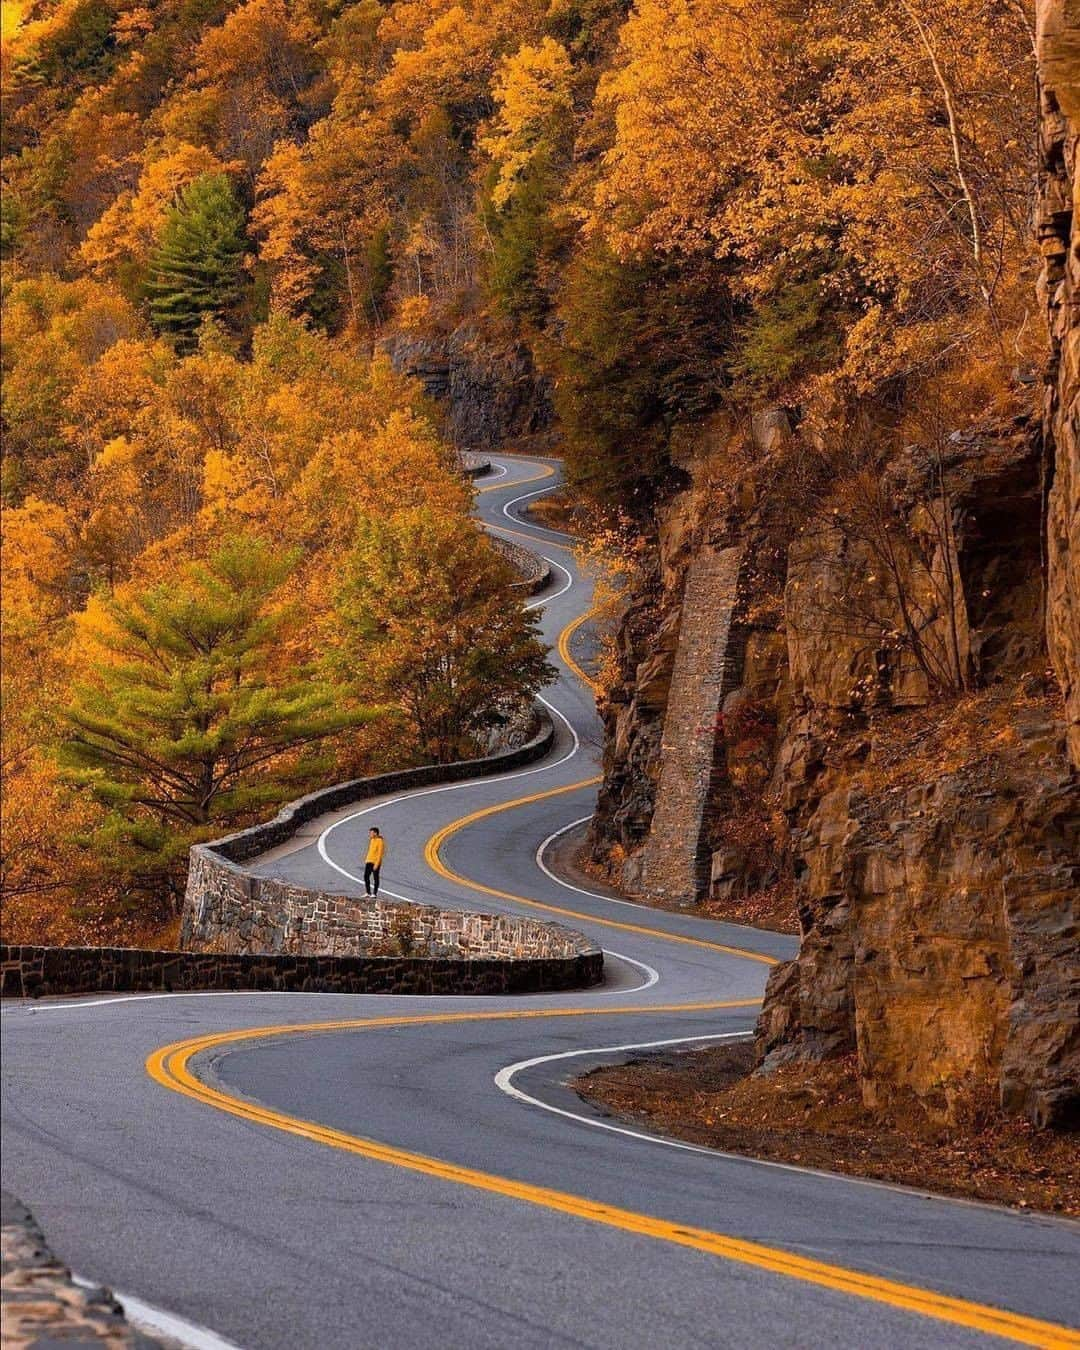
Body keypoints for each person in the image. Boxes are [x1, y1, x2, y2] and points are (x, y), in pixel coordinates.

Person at [364, 826, 385, 897]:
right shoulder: (372, 840)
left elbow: (380, 854)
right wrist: (366, 859)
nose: (370, 834)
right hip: (369, 860)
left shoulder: (380, 841)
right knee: (366, 876)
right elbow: (370, 851)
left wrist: (377, 864)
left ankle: (374, 893)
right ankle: (368, 892)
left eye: (371, 833)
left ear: (376, 833)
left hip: (375, 862)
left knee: (375, 877)